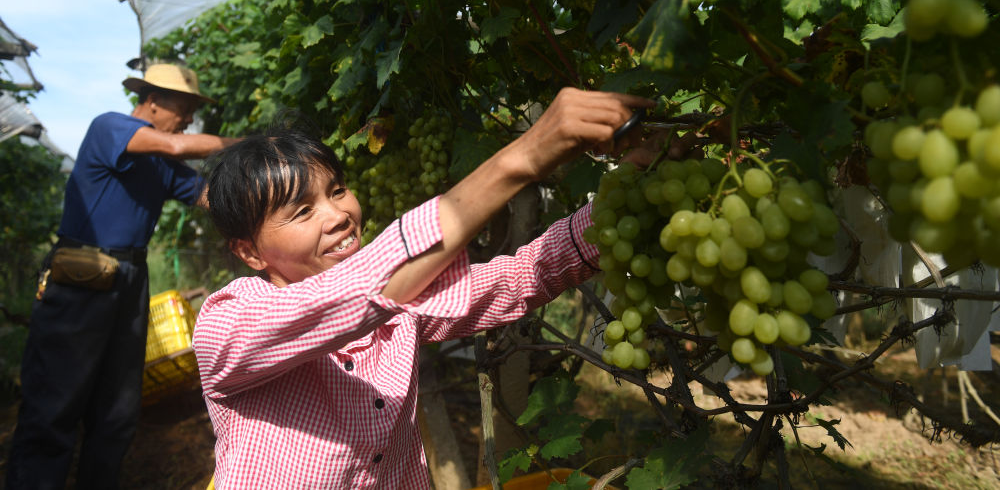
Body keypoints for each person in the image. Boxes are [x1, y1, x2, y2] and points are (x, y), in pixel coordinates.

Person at [192, 87, 652, 489]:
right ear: (250, 253)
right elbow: (358, 293)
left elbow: (519, 278)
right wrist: (523, 157)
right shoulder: (229, 326)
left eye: (336, 191)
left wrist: (633, 189)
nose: (337, 216)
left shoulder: (399, 308)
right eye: (301, 212)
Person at [6, 62, 240, 490]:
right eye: (184, 107)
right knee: (54, 405)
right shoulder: (110, 127)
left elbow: (210, 196)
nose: (188, 118)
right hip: (82, 274)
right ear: (152, 101)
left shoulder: (160, 165)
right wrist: (249, 145)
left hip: (130, 279)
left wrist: (268, 189)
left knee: (118, 408)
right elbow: (173, 145)